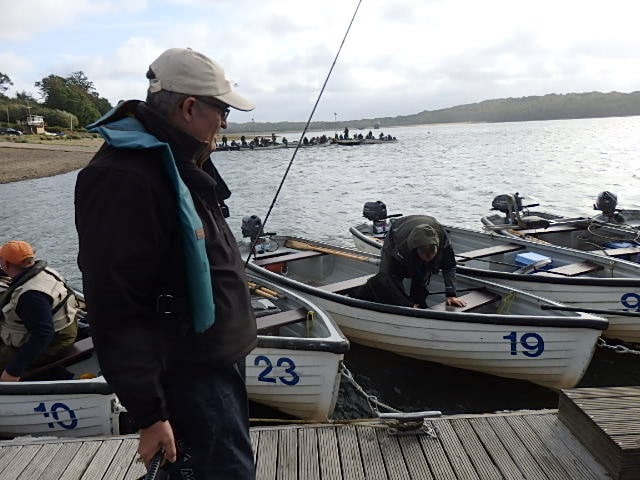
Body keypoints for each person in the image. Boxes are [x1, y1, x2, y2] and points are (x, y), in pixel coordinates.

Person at [74, 47, 258, 478]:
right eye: (222, 110)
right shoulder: (122, 178)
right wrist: (150, 414)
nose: (226, 123)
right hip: (187, 374)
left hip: (215, 362)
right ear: (189, 107)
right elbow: (113, 305)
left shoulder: (181, 159)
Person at [0, 240, 78, 382]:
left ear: (6, 264)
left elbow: (43, 334)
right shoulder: (44, 272)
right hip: (65, 329)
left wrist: (13, 371)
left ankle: (56, 377)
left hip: (55, 342)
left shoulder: (30, 296)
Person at [352, 215, 467, 309]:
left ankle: (419, 303)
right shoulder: (402, 247)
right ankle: (356, 295)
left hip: (425, 227)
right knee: (386, 278)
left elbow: (449, 267)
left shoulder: (444, 242)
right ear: (416, 251)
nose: (427, 259)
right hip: (397, 233)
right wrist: (406, 304)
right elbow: (389, 277)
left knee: (422, 274)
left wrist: (451, 294)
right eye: (424, 257)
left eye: (431, 256)